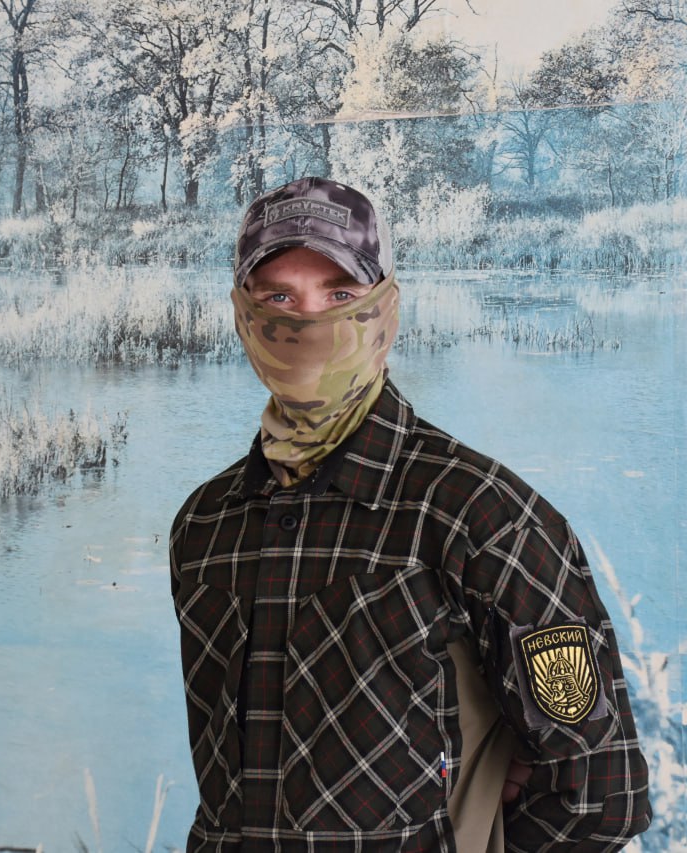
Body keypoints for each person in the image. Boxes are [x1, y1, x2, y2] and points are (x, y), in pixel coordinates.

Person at [169, 177, 652, 852]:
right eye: (279, 298)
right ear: (242, 314)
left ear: (385, 309)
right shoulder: (205, 525)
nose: (309, 324)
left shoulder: (485, 516)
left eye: (340, 295)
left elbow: (600, 798)